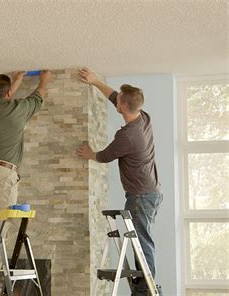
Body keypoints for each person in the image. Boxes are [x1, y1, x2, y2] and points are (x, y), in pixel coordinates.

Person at [76, 68, 163, 295]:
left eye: (119, 102)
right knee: (141, 241)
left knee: (141, 242)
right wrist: (95, 82)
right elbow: (117, 97)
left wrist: (89, 154)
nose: (117, 102)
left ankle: (146, 288)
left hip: (141, 196)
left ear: (123, 107)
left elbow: (104, 156)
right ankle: (145, 285)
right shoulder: (143, 117)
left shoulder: (127, 136)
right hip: (149, 192)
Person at [0, 70, 52, 295]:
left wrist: (15, 82)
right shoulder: (19, 110)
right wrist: (44, 81)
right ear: (9, 93)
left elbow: (2, 100)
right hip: (1, 175)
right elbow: (38, 96)